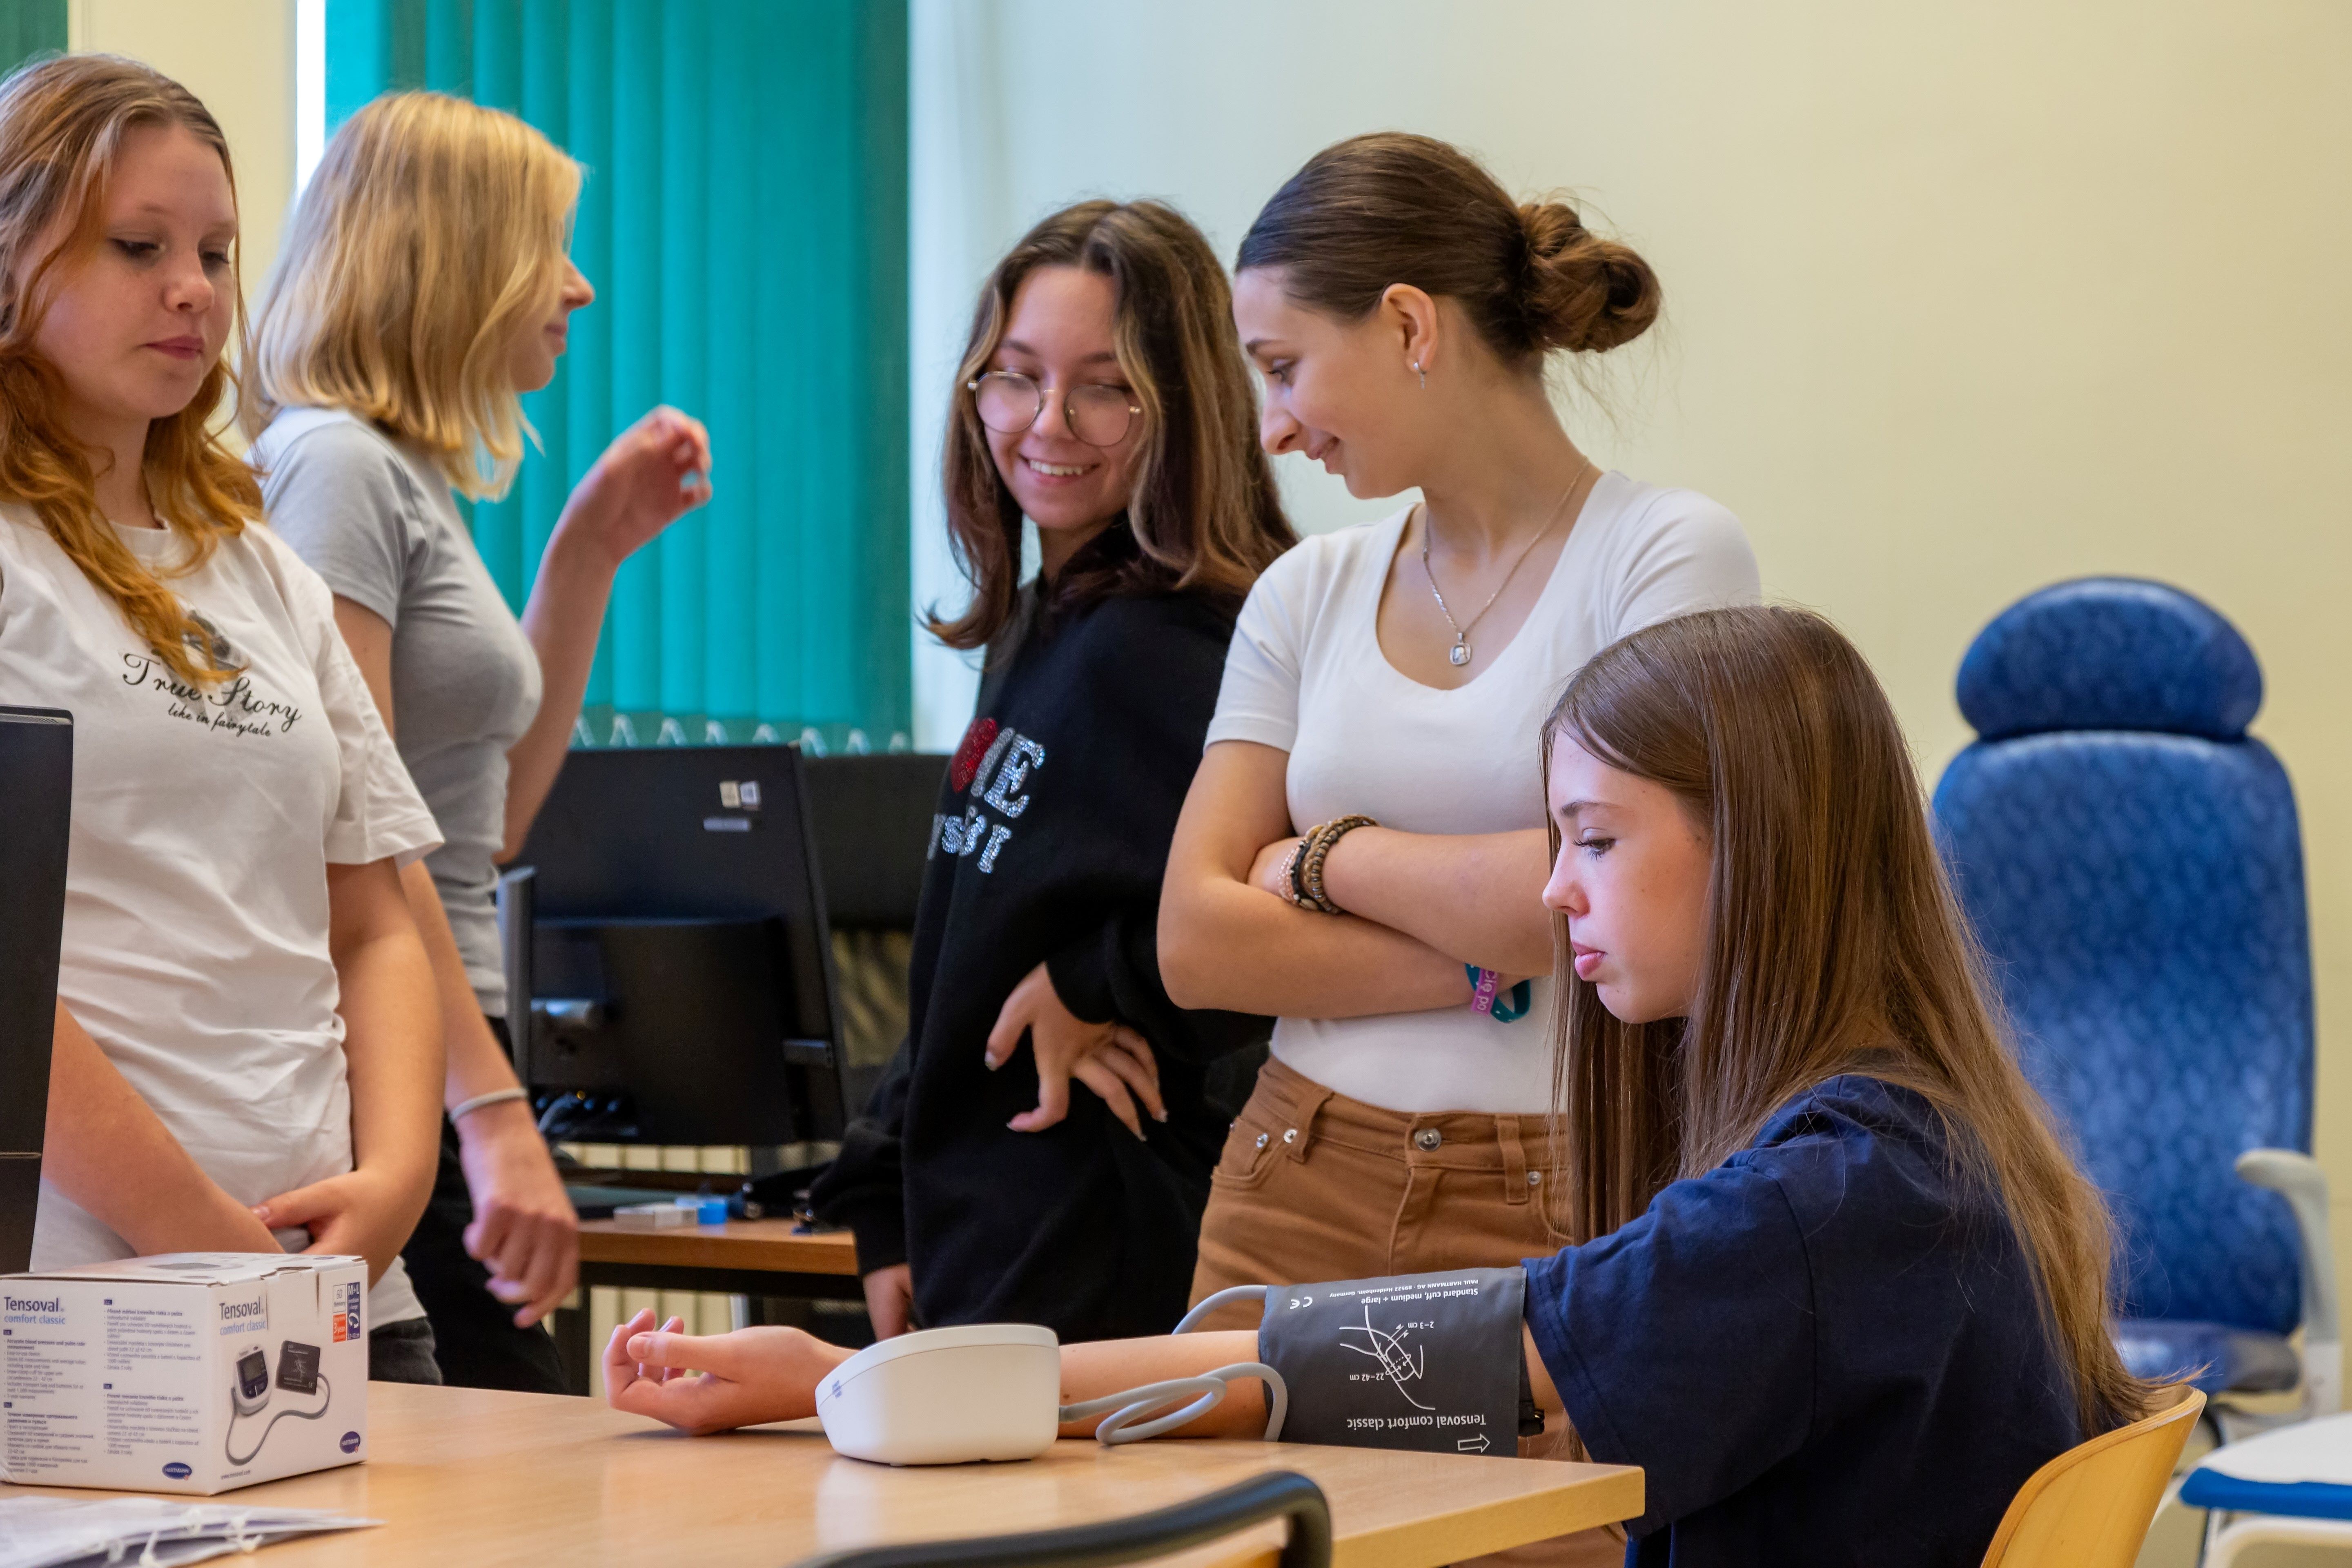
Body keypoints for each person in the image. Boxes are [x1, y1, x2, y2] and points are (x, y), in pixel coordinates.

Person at [598, 604, 2156, 1568]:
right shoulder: (1930, 1151)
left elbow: (1376, 1362)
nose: (1555, 891)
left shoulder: (1820, 1205)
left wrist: (853, 1383)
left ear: (1756, 848)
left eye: (1597, 840)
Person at [244, 92, 712, 1391]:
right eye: (547, 246)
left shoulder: (404, 477)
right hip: (401, 1066)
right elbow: (360, 832)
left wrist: (589, 552)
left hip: (445, 1051)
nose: (579, 284)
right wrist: (489, 1113)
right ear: (453, 258)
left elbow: (486, 823)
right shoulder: (336, 469)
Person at [0, 54, 446, 1380]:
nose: (194, 288)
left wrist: (397, 1183)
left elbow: (375, 919)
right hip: (97, 1299)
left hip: (341, 1284)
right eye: (139, 247)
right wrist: (203, 1242)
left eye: (214, 251)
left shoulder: (261, 569)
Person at [805, 200, 1292, 1342]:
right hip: (987, 1219)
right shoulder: (1045, 621)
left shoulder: (1179, 643)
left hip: (1102, 1227)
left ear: (1182, 405)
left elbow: (1281, 912)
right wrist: (883, 1199)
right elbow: (972, 938)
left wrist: (1098, 984)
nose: (1048, 423)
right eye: (1016, 377)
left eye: (1105, 389)